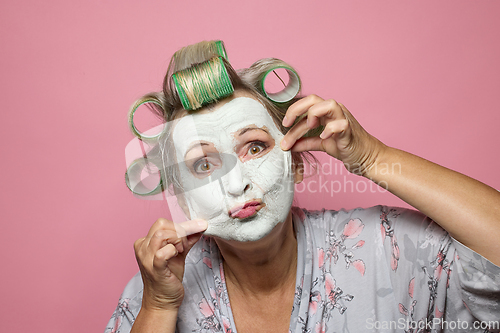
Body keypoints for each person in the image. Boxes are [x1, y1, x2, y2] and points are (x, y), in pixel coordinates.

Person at [106, 40, 500, 333]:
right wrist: (158, 306)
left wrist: (372, 158)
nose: (238, 184)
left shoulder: (387, 248)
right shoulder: (157, 293)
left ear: (293, 160)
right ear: (179, 198)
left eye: (255, 146)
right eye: (204, 164)